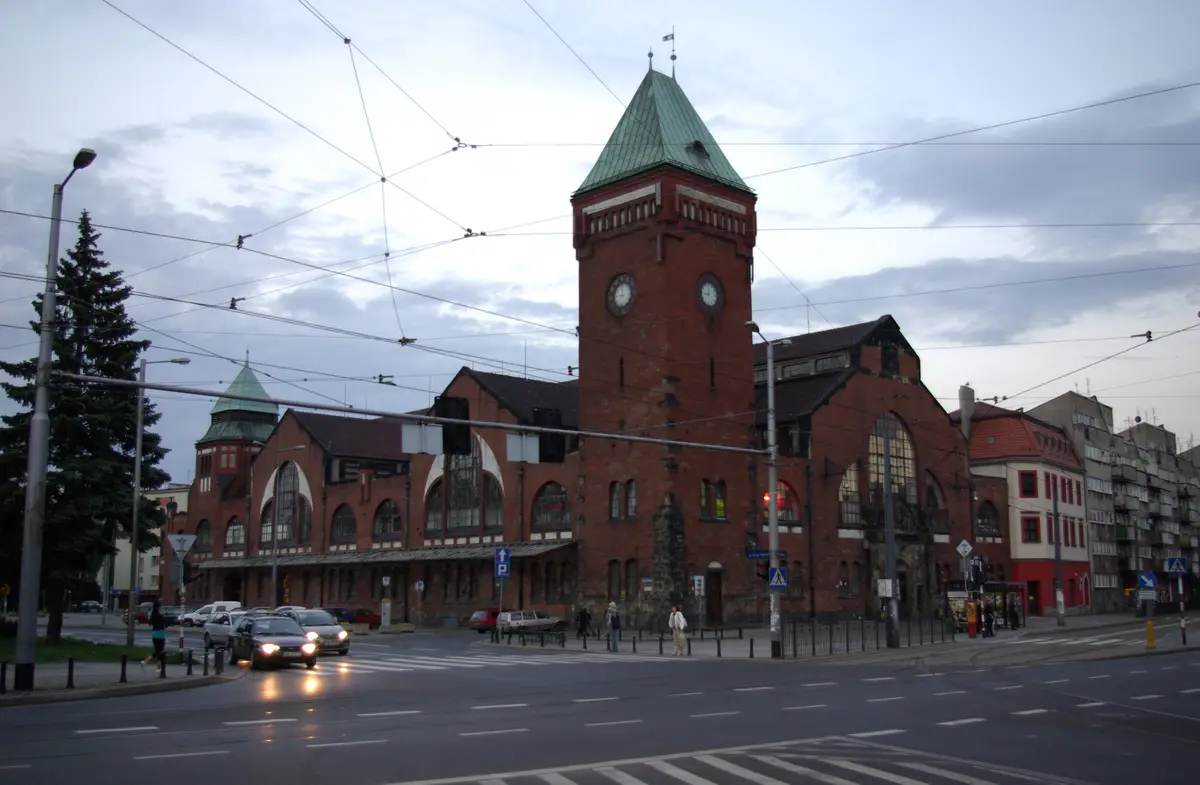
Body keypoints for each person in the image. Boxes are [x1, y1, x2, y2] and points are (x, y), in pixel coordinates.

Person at [142, 599, 166, 668]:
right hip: (160, 634)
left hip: (154, 633)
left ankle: (147, 662)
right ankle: (157, 666)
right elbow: (163, 621)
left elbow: (150, 622)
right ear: (158, 607)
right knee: (160, 651)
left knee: (158, 651)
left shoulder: (152, 613)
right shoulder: (158, 614)